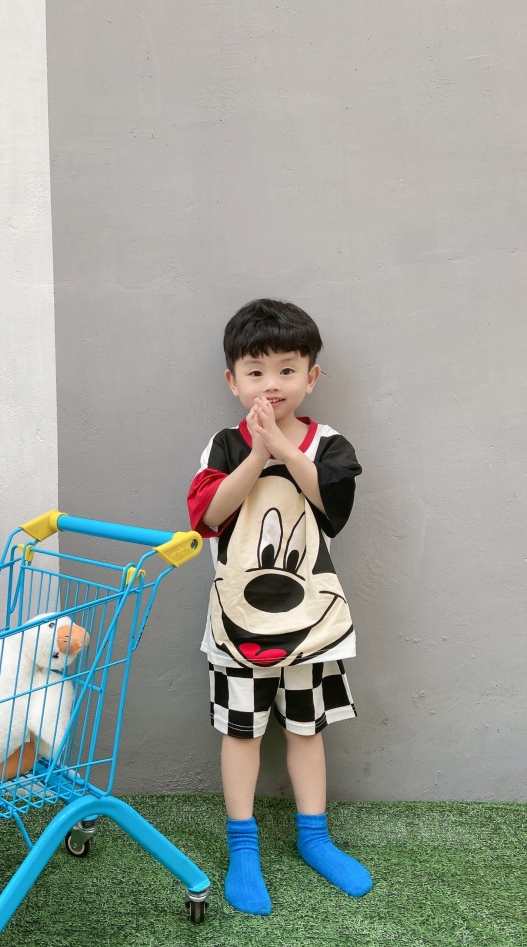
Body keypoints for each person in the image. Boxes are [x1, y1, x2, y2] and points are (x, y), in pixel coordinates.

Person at [187, 298, 372, 914]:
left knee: (306, 728)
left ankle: (314, 837)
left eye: (287, 370)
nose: (272, 384)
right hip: (237, 625)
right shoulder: (222, 445)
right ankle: (243, 846)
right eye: (256, 371)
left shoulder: (330, 444)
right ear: (233, 381)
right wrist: (257, 453)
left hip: (312, 626)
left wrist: (286, 450)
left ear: (311, 377)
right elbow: (208, 517)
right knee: (241, 733)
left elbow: (332, 507)